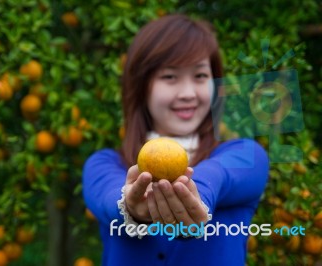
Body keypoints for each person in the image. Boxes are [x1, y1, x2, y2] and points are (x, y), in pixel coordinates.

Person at [83, 14, 269, 266]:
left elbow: (220, 175)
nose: (188, 93)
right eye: (170, 77)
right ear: (141, 86)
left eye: (200, 76)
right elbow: (109, 200)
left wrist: (196, 196)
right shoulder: (104, 165)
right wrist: (130, 205)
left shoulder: (245, 154)